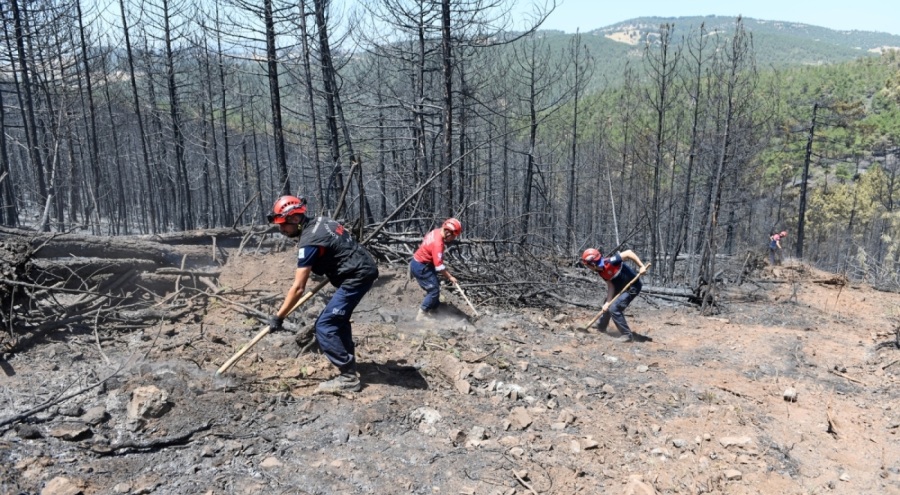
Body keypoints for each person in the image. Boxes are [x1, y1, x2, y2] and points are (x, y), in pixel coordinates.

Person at [266, 195, 379, 393]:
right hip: (360, 270)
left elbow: (298, 288)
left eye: (283, 224)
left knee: (325, 325)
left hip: (356, 277)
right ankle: (349, 365)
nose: (281, 229)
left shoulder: (309, 241)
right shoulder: (322, 221)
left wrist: (279, 317)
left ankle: (348, 379)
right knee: (338, 320)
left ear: (294, 219)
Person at [581, 248, 649, 343]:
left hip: (633, 287)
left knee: (614, 308)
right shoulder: (601, 271)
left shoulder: (611, 262)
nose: (588, 268)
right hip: (620, 288)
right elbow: (611, 286)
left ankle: (626, 335)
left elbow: (629, 253)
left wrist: (641, 266)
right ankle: (601, 327)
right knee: (607, 305)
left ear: (593, 264)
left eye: (588, 265)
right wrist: (607, 302)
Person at [410, 218, 462, 321]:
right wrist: (450, 277)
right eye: (454, 236)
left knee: (435, 285)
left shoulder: (436, 231)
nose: (453, 239)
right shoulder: (438, 244)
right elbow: (439, 266)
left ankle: (434, 308)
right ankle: (421, 315)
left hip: (422, 263)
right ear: (448, 232)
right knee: (433, 290)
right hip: (421, 267)